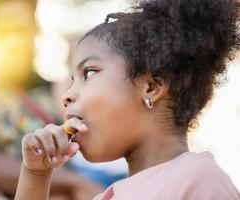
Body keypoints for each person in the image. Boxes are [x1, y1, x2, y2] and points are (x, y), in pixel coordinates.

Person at [15, 0, 240, 199]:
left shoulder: (197, 179)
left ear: (151, 88)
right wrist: (36, 174)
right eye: (72, 80)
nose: (66, 95)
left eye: (89, 72)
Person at [0, 0, 103, 199]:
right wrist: (74, 183)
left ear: (35, 30)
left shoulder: (58, 89)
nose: (13, 41)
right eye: (1, 32)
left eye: (21, 30)